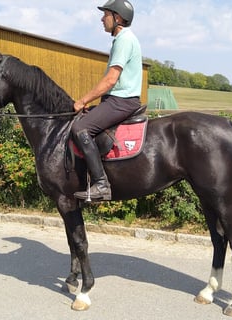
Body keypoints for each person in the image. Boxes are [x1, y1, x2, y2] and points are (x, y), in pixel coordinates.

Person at [71, 0, 142, 201]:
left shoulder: (124, 39)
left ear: (117, 18)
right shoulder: (123, 39)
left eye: (106, 15)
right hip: (118, 100)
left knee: (80, 129)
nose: (102, 19)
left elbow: (110, 80)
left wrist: (82, 101)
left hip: (121, 101)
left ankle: (101, 184)